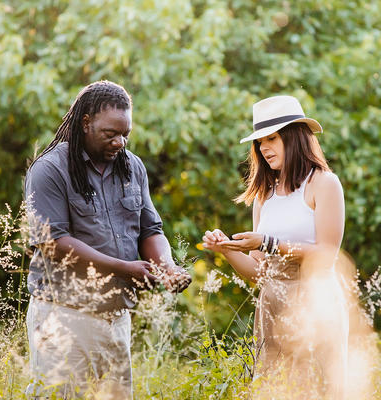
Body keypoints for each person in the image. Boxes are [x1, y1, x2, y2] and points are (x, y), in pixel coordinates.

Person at [23, 80, 191, 398]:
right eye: (110, 134)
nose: (120, 142)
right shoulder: (50, 170)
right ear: (86, 123)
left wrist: (167, 267)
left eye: (125, 134)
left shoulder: (133, 168)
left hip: (117, 319)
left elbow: (150, 230)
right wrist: (124, 268)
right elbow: (52, 242)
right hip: (65, 316)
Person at [202, 95, 348, 396]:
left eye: (272, 139)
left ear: (294, 137)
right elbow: (257, 272)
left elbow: (327, 255)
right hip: (272, 307)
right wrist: (227, 249)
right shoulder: (264, 195)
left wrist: (269, 242)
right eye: (259, 142)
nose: (264, 148)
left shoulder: (324, 183)